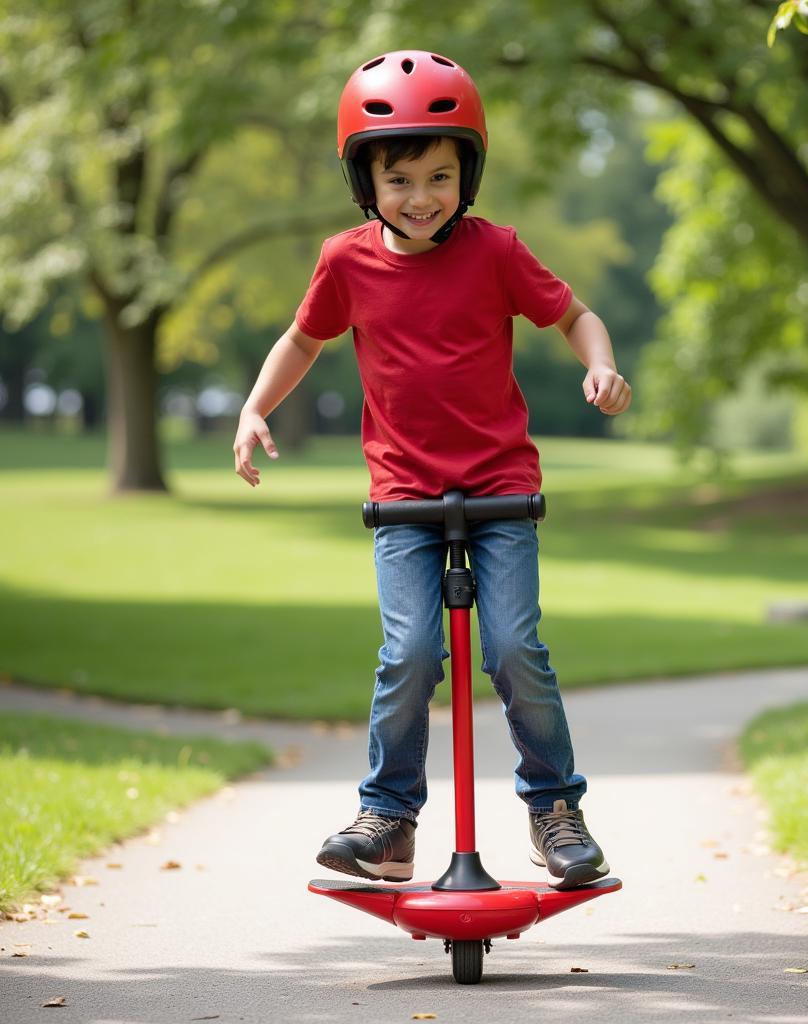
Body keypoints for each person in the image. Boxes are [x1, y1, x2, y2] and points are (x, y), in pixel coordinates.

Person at [232, 50, 631, 890]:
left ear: (469, 174)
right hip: (404, 498)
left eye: (441, 175)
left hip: (501, 493)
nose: (422, 197)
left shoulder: (496, 252)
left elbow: (576, 314)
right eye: (401, 179)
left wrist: (599, 364)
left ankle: (556, 809)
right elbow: (303, 338)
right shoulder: (345, 261)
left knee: (517, 648)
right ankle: (390, 819)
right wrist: (254, 407)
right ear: (365, 184)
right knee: (409, 653)